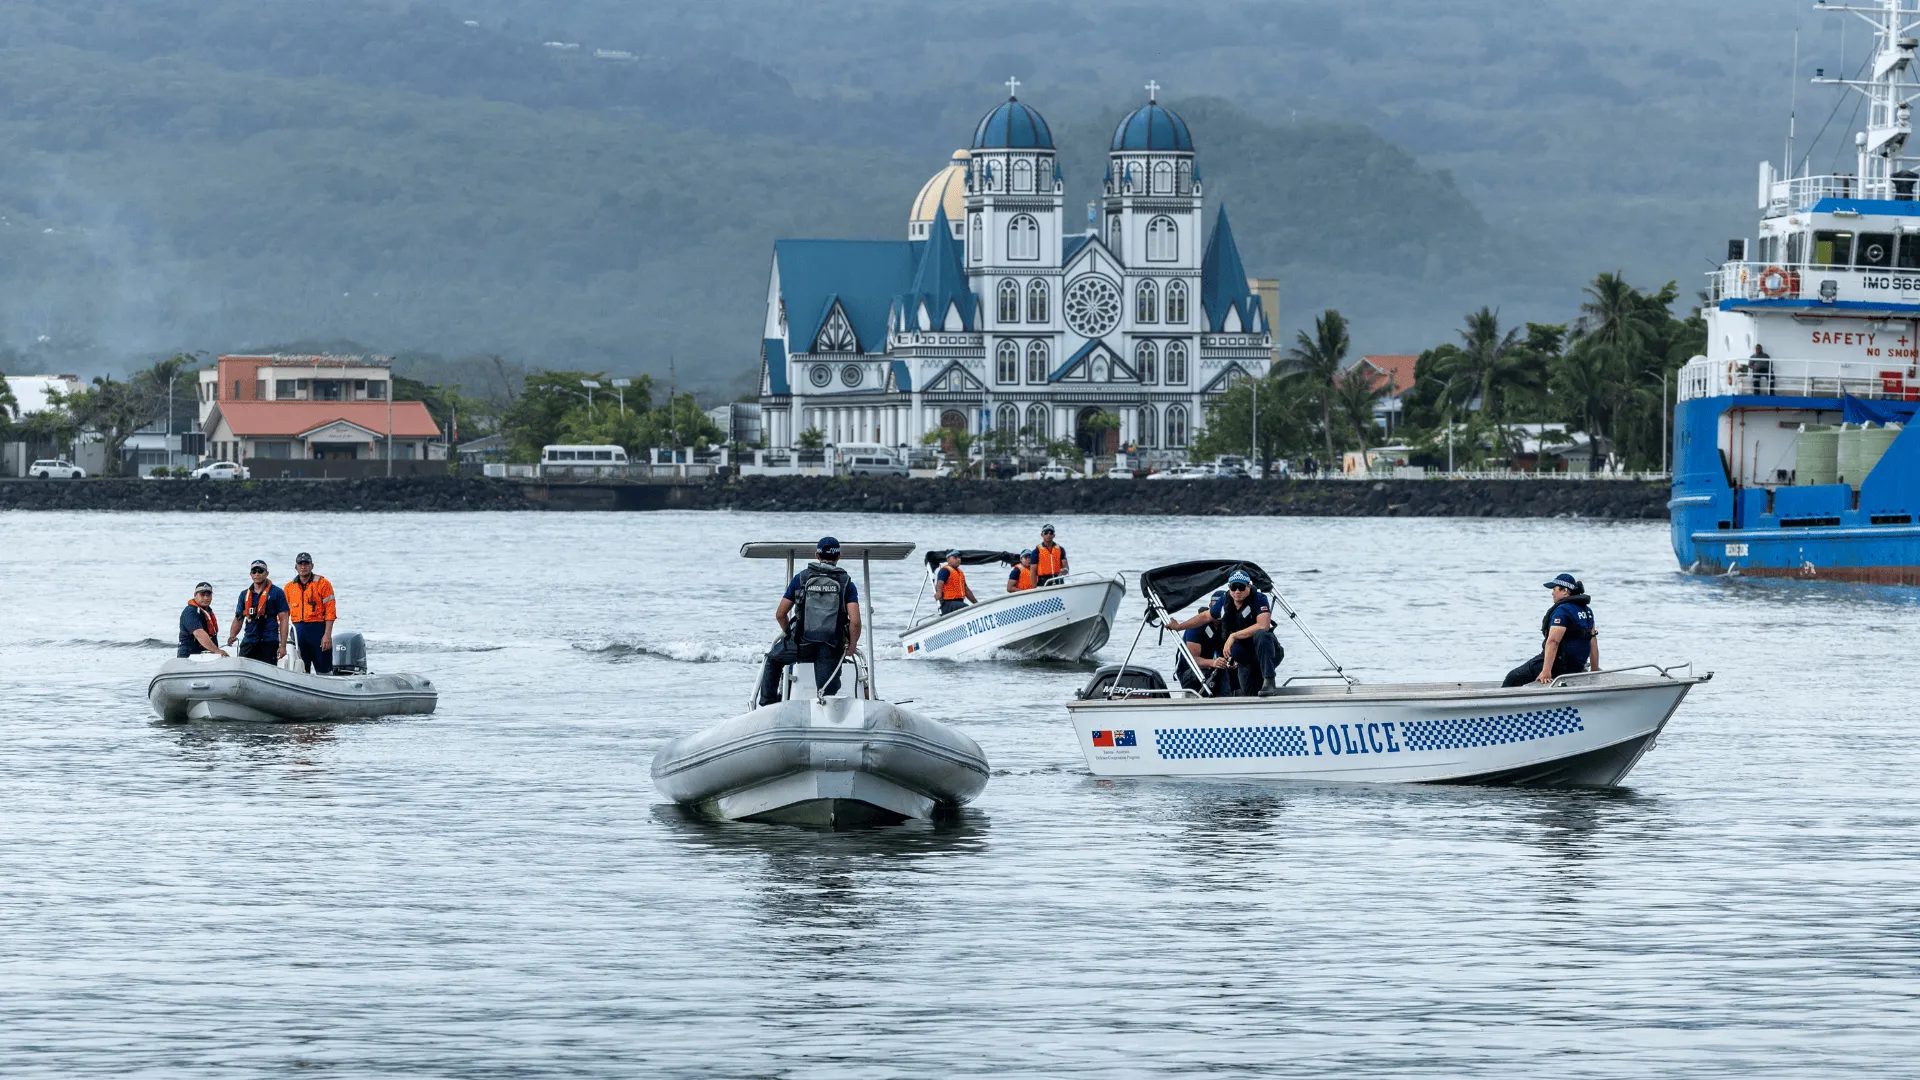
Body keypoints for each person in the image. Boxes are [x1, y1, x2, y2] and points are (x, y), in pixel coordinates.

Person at [755, 537, 863, 704]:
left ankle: (768, 705)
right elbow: (855, 622)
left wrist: (789, 634)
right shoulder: (846, 582)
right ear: (839, 556)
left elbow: (780, 614)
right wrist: (852, 645)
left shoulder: (801, 578)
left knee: (773, 660)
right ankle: (828, 712)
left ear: (817, 556)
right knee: (827, 692)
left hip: (801, 643)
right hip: (831, 646)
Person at [1165, 570, 1283, 696]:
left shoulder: (1259, 599)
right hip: (1244, 658)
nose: (1237, 591)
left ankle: (1269, 680)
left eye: (1241, 587)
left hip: (1266, 651)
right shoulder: (1224, 603)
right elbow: (1205, 617)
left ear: (1248, 586)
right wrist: (1179, 626)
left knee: (1261, 635)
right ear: (1229, 588)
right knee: (1249, 691)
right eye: (1234, 587)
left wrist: (1233, 636)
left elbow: (1263, 625)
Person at [1503, 573, 1599, 687]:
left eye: (1554, 589)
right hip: (1576, 666)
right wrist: (1594, 670)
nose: (1552, 593)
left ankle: (1501, 704)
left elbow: (1553, 641)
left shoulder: (1563, 610)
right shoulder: (1587, 611)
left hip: (1557, 666)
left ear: (1565, 591)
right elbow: (1593, 640)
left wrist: (1546, 672)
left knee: (1512, 677)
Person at [226, 559, 290, 665]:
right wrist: (232, 635)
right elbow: (238, 618)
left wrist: (282, 646)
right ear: (250, 574)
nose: (257, 574)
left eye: (260, 571)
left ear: (267, 573)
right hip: (249, 639)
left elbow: (284, 619)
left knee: (268, 669)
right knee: (241, 665)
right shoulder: (244, 595)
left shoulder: (277, 593)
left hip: (269, 640)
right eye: (254, 571)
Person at [283, 551, 337, 675]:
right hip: (297, 631)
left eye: (306, 563)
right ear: (296, 567)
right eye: (300, 564)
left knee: (324, 668)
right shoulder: (289, 587)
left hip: (318, 630)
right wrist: (283, 639)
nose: (303, 566)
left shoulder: (323, 584)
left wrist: (327, 635)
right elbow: (283, 615)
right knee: (300, 668)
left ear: (312, 566)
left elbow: (330, 611)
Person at [1171, 590, 1229, 694]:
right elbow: (1192, 660)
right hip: (1191, 671)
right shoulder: (1197, 626)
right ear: (1210, 606)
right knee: (1220, 673)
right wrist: (1213, 663)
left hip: (1215, 668)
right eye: (1216, 607)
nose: (1219, 611)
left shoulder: (1227, 625)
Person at [177, 582, 229, 658]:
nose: (206, 598)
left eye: (208, 595)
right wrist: (216, 651)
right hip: (189, 657)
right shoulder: (190, 612)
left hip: (203, 656)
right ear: (195, 595)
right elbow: (199, 633)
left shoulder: (208, 611)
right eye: (202, 594)